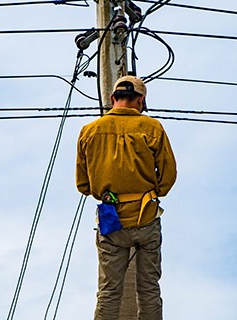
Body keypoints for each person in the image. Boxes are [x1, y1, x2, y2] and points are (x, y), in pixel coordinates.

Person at [75, 75, 177, 320]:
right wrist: (152, 193)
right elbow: (168, 176)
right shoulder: (152, 127)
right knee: (149, 289)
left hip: (112, 222)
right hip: (146, 218)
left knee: (109, 292)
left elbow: (83, 184)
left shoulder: (89, 131)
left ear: (112, 99)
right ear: (140, 100)